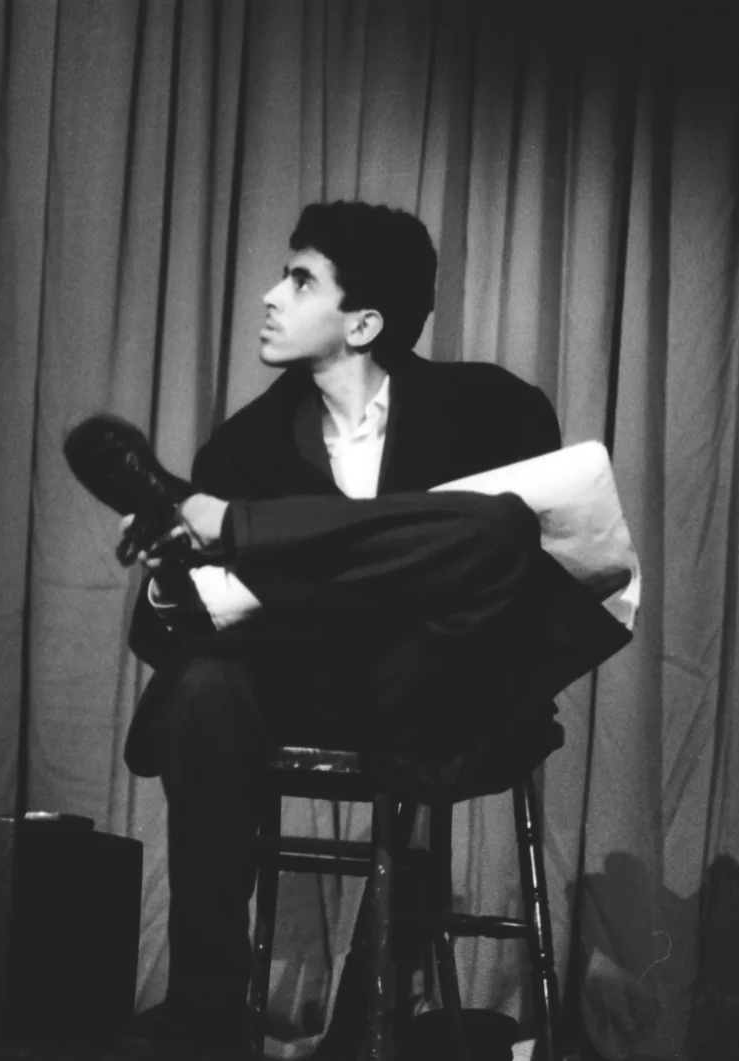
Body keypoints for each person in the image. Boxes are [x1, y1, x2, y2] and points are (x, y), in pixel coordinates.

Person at [113, 201, 630, 1050]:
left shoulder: (493, 410)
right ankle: (206, 1009)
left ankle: (259, 542)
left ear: (363, 323)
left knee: (496, 525)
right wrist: (174, 586)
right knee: (204, 684)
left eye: (300, 280)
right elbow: (161, 632)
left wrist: (251, 538)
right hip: (303, 681)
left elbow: (513, 570)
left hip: (436, 680)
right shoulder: (244, 448)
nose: (271, 296)